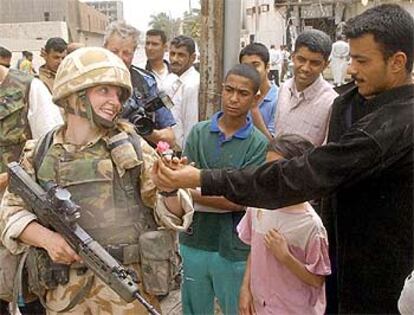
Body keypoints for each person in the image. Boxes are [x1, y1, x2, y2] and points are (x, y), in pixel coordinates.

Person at [152, 4, 414, 313]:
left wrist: (201, 178)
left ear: (397, 62)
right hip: (337, 268)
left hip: (382, 281)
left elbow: (309, 172)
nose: (352, 68)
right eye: (351, 58)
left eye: (361, 60)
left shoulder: (400, 124)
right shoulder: (349, 103)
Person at [0, 47, 193, 315]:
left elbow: (169, 214)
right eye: (103, 91)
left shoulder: (131, 149)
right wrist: (47, 239)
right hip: (64, 295)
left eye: (118, 94)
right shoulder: (41, 151)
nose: (115, 101)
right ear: (75, 95)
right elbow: (10, 212)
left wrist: (170, 188)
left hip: (124, 292)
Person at [175, 64, 268, 315]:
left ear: (256, 98)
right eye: (229, 90)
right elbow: (181, 185)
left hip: (234, 246)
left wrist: (193, 190)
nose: (234, 99)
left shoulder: (258, 144)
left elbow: (240, 200)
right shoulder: (198, 133)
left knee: (235, 308)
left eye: (243, 93)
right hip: (194, 239)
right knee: (194, 308)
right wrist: (209, 193)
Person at [238, 134, 331, 315]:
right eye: (267, 167)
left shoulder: (311, 225)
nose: (271, 175)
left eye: (280, 169)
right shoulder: (258, 206)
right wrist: (245, 288)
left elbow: (317, 279)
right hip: (260, 305)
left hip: (294, 309)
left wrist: (285, 256)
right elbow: (254, 250)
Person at [0, 52, 63, 315]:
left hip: (19, 218)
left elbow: (53, 155)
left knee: (30, 297)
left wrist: (6, 180)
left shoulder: (29, 88)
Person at [103, 21, 176, 147]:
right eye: (114, 51)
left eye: (126, 53)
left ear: (134, 52)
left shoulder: (147, 82)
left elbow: (170, 138)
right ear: (104, 49)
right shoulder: (88, 79)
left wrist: (141, 128)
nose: (120, 58)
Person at [274, 30, 337, 146]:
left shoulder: (331, 102)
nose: (305, 68)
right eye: (301, 60)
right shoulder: (284, 88)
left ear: (326, 65)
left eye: (314, 63)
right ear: (293, 57)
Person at [239, 43, 278, 140]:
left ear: (267, 67)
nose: (250, 71)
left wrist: (254, 108)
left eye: (255, 65)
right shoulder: (237, 95)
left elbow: (271, 143)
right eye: (245, 66)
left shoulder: (278, 99)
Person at [169, 35, 200, 150]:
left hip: (182, 152)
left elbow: (191, 126)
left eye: (181, 55)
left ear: (192, 58)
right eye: (172, 54)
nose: (175, 59)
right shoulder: (173, 79)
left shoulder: (192, 84)